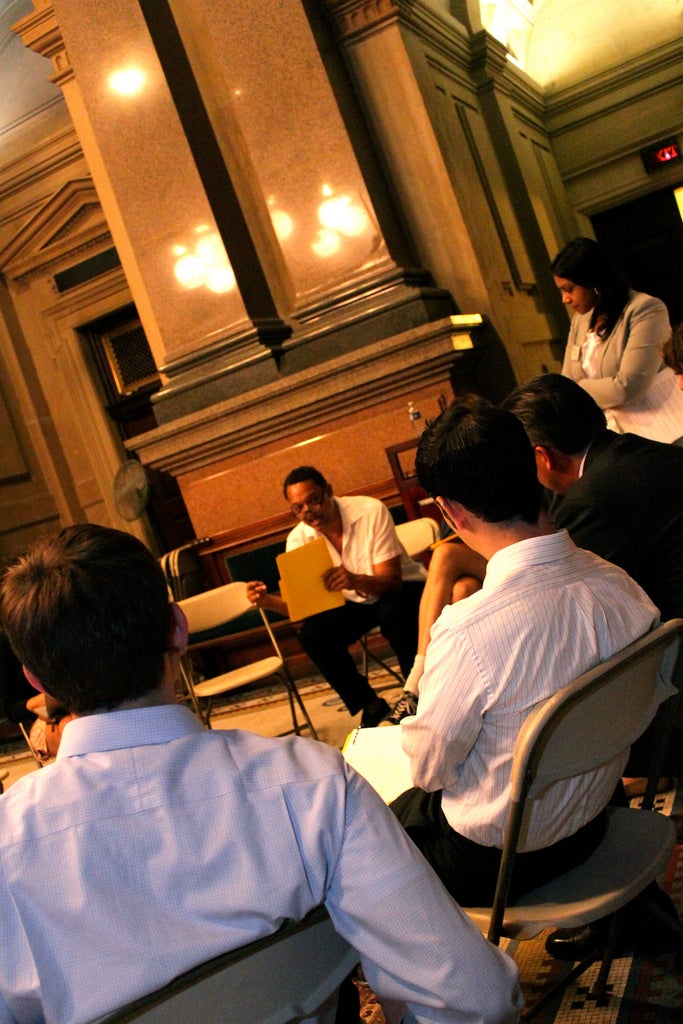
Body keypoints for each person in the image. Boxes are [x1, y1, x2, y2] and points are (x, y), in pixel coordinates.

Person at [0, 524, 522, 1024]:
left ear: (36, 679)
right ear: (178, 629)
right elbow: (477, 998)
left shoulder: (8, 844)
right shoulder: (313, 786)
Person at [390, 403, 661, 911]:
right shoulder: (618, 584)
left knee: (370, 837)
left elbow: (430, 772)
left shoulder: (467, 633)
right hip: (596, 815)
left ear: (451, 512)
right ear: (536, 467)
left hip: (505, 861)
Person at [247, 466, 425, 727]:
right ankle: (371, 705)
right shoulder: (298, 539)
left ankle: (417, 694)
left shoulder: (369, 511)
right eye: (298, 508)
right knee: (313, 635)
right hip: (352, 602)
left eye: (313, 500)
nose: (308, 511)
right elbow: (307, 609)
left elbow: (391, 582)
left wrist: (354, 579)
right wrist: (267, 602)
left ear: (329, 491)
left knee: (393, 613)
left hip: (400, 590)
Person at [553, 237, 674, 438]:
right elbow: (566, 384)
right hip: (616, 433)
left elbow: (629, 386)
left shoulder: (645, 309)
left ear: (592, 281)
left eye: (569, 289)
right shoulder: (580, 320)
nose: (565, 299)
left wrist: (581, 387)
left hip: (662, 428)